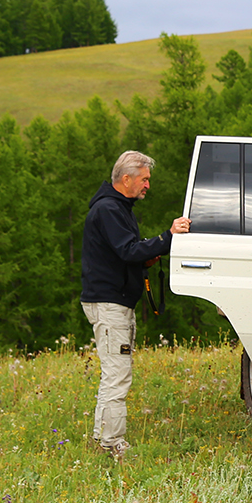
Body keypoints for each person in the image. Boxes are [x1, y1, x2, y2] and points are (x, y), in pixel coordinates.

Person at [80, 150, 191, 459]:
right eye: (144, 180)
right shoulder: (109, 210)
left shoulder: (118, 208)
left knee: (113, 372)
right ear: (125, 179)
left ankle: (103, 439)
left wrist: (148, 255)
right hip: (109, 304)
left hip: (114, 301)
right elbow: (128, 250)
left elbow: (123, 253)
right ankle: (113, 444)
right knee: (117, 374)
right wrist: (168, 237)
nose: (147, 186)